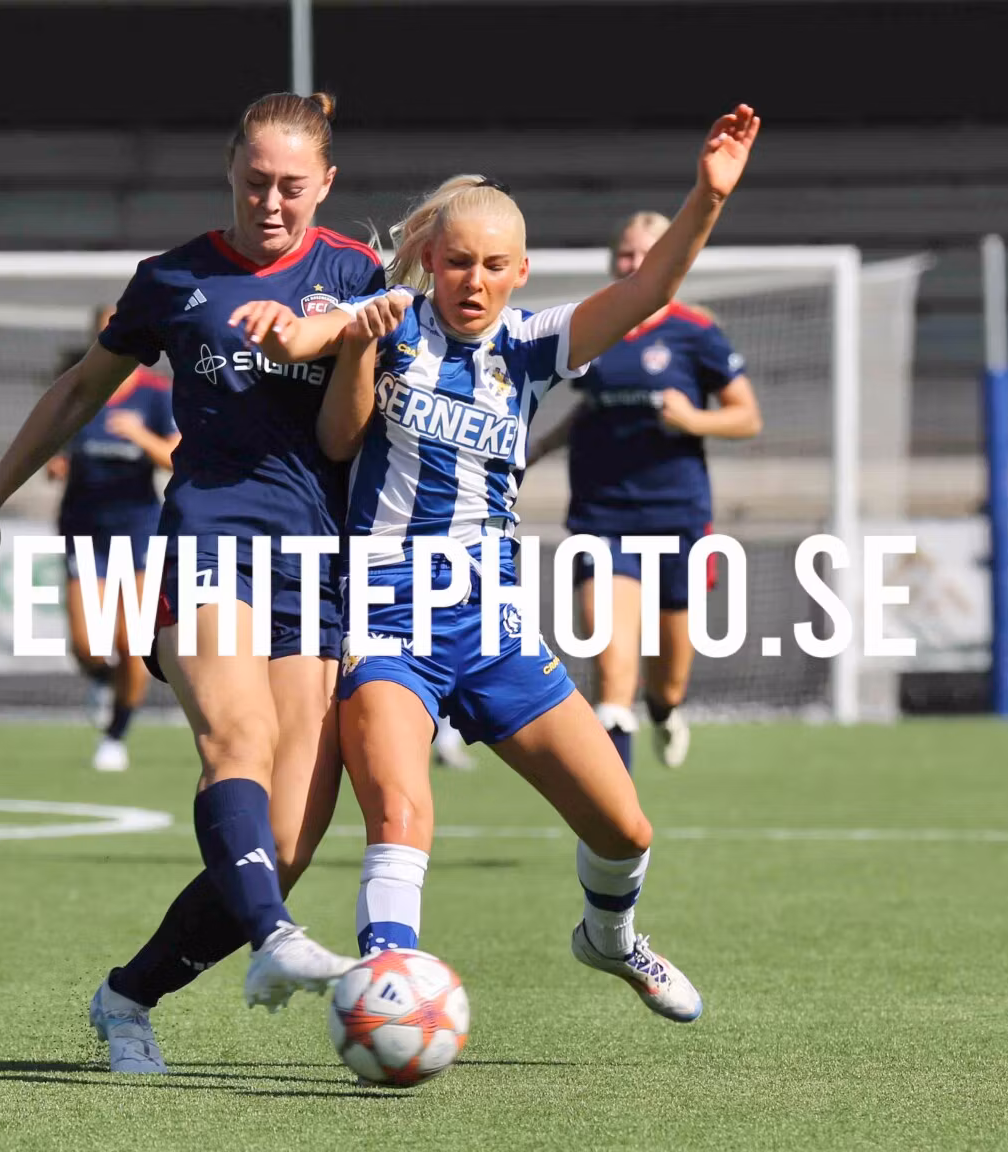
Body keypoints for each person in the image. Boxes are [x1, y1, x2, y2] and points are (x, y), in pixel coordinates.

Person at [255, 105, 760, 1024]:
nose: (474, 283)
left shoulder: (531, 344)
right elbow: (335, 437)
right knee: (402, 818)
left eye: (494, 267)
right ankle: (386, 995)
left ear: (520, 272)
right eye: (457, 263)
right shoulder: (393, 321)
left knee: (626, 827)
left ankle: (609, 938)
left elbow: (646, 295)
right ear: (430, 264)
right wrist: (341, 342)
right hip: (383, 616)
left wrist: (706, 199)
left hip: (490, 626)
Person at [0, 92, 383, 1074]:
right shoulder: (171, 279)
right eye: (253, 181)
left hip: (312, 565)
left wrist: (351, 341)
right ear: (229, 173)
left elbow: (349, 437)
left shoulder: (357, 277)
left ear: (323, 185)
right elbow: (77, 391)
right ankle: (277, 940)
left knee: (280, 847)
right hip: (204, 538)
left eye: (290, 185)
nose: (270, 201)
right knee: (233, 739)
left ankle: (126, 997)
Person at [527, 211, 763, 771]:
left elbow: (747, 417)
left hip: (678, 521)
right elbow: (591, 408)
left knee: (669, 679)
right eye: (626, 255)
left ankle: (663, 710)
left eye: (647, 255)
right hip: (601, 519)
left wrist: (694, 421)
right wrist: (534, 450)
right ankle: (615, 829)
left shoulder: (695, 332)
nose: (634, 265)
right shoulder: (595, 325)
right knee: (611, 672)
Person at [46, 306, 180, 772]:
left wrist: (140, 437)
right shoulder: (79, 389)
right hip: (85, 528)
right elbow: (53, 445)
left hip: (139, 529)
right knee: (85, 644)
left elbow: (176, 459)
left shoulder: (155, 396)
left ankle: (116, 734)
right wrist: (56, 464)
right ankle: (100, 681)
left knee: (131, 641)